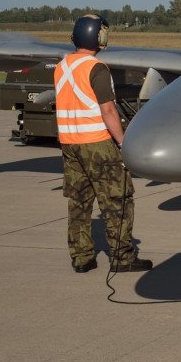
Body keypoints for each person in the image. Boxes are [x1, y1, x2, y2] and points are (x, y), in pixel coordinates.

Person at [54, 14, 152, 273]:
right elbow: (108, 110)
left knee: (79, 202)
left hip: (70, 144)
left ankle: (81, 258)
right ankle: (122, 258)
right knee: (117, 200)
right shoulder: (96, 68)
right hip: (96, 143)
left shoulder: (62, 66)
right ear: (97, 36)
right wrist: (123, 142)